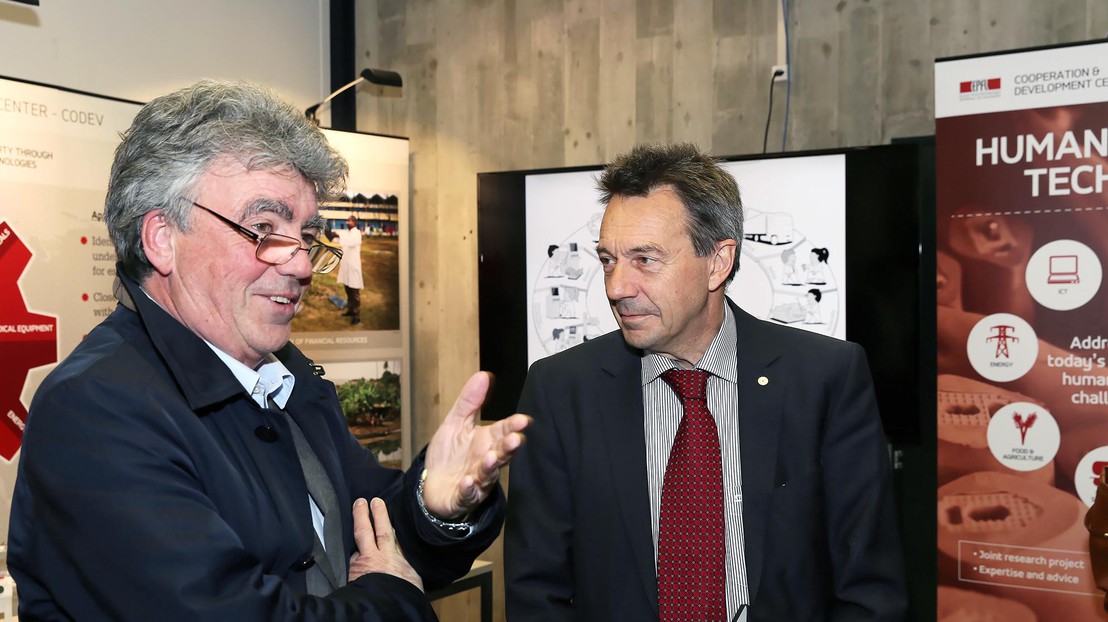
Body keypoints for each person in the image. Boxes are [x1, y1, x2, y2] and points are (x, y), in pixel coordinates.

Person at [8, 80, 529, 621]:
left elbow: (374, 532)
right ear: (161, 238)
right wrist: (396, 600)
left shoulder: (284, 372)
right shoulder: (96, 410)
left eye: (306, 234)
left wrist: (436, 505)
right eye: (263, 228)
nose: (301, 264)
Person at [504, 142, 906, 621]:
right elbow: (536, 590)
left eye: (645, 259)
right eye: (608, 259)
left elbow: (870, 589)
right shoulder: (559, 390)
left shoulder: (824, 378)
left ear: (718, 261)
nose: (616, 287)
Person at [335, 214, 365, 325]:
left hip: (353, 265)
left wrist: (339, 236)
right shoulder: (346, 233)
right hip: (346, 265)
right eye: (347, 221)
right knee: (347, 289)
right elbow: (338, 241)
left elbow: (351, 242)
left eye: (350, 221)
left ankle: (357, 315)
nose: (348, 222)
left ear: (354, 223)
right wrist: (333, 235)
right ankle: (350, 310)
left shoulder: (357, 233)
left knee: (354, 290)